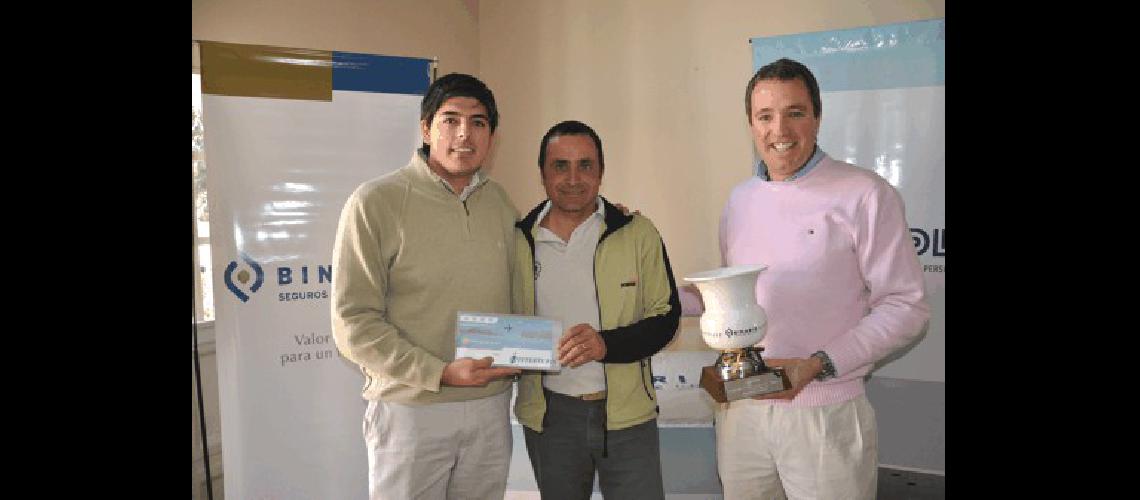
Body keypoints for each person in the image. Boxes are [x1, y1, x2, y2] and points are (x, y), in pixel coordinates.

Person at [679, 58, 931, 500]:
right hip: (743, 412)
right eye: (765, 116)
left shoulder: (865, 194)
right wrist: (650, 287)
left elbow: (906, 308)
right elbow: (731, 298)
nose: (780, 130)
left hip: (825, 413)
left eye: (795, 112)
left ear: (817, 116)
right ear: (751, 124)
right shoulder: (740, 200)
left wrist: (817, 363)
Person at [330, 73, 523, 500]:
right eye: (450, 120)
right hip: (411, 410)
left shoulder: (501, 203)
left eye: (478, 123)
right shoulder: (375, 202)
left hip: (490, 407)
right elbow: (353, 323)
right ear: (425, 127)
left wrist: (603, 217)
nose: (463, 134)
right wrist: (439, 373)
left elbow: (529, 278)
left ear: (491, 135)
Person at [512, 120, 681, 500]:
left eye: (585, 165)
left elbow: (666, 317)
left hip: (627, 417)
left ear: (601, 172)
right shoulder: (518, 240)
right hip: (550, 419)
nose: (574, 178)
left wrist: (606, 345)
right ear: (542, 173)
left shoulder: (637, 232)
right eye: (560, 166)